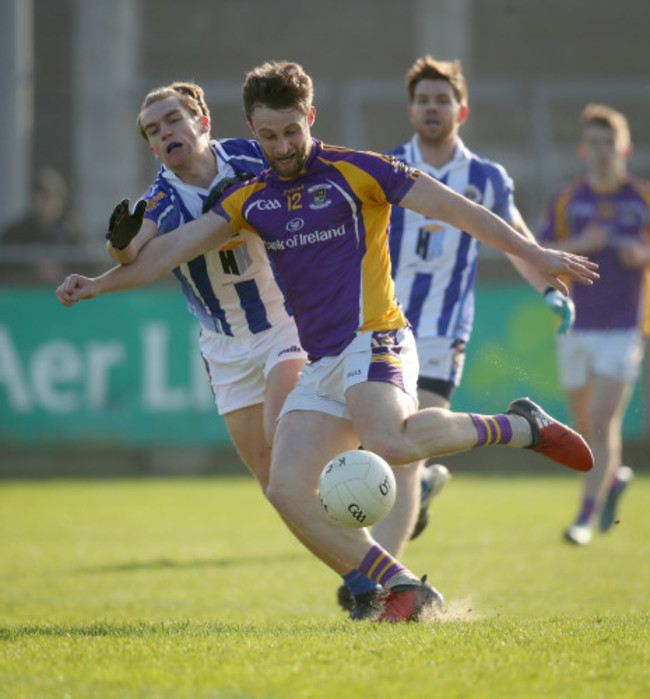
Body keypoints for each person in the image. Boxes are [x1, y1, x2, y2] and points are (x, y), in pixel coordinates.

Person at [57, 61, 598, 623]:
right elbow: (166, 254)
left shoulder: (359, 170)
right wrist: (97, 283)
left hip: (376, 337)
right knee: (286, 489)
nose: (283, 145)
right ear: (252, 131)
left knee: (389, 441)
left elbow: (455, 209)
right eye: (268, 136)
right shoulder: (251, 198)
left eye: (292, 131)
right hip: (322, 363)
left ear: (309, 118)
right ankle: (403, 587)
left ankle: (522, 426)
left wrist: (537, 255)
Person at [338, 54, 578, 615]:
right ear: (410, 109)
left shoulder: (486, 178)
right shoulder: (387, 166)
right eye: (422, 99)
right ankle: (416, 496)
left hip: (443, 331)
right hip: (381, 328)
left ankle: (377, 591)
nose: (431, 107)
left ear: (460, 110)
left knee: (400, 450)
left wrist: (547, 288)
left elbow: (515, 239)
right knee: (380, 445)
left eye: (441, 99)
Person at [103, 80, 307, 493]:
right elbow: (133, 254)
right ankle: (355, 550)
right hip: (226, 345)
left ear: (203, 123)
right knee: (276, 485)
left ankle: (366, 474)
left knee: (288, 444)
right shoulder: (161, 198)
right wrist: (118, 242)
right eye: (154, 131)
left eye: (173, 120)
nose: (165, 133)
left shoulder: (253, 156)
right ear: (153, 149)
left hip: (287, 323)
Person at [539, 103, 650, 546]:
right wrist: (579, 244)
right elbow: (540, 248)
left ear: (626, 147)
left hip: (624, 328)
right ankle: (615, 478)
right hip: (575, 325)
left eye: (611, 143)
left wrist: (641, 256)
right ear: (585, 150)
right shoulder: (568, 198)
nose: (604, 151)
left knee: (603, 421)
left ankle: (586, 515)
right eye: (596, 144)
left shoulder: (641, 198)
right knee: (586, 426)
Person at [1, 168, 85, 283]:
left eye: (49, 198)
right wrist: (32, 268)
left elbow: (92, 269)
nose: (44, 205)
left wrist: (63, 269)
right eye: (39, 197)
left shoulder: (73, 232)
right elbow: (6, 270)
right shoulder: (16, 233)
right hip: (26, 295)